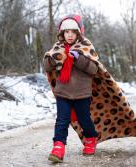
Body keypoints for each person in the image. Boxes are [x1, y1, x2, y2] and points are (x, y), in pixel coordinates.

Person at [43, 15, 99, 163]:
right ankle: (58, 147)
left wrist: (78, 58)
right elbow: (46, 66)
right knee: (62, 120)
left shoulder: (86, 46)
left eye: (73, 32)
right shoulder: (58, 48)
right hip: (63, 91)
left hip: (82, 93)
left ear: (78, 33)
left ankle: (91, 138)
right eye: (66, 32)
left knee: (84, 119)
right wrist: (55, 58)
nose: (69, 35)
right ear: (62, 33)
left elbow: (93, 69)